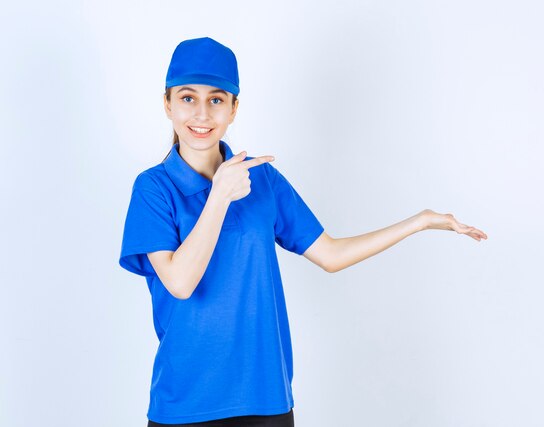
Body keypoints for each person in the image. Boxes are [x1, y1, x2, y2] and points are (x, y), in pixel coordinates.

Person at [119, 36, 488, 427]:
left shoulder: (262, 180)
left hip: (264, 398)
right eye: (188, 98)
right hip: (186, 403)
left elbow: (330, 255)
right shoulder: (153, 188)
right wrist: (219, 196)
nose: (202, 114)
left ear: (233, 109)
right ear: (168, 105)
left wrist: (418, 222)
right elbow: (179, 282)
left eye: (216, 99)